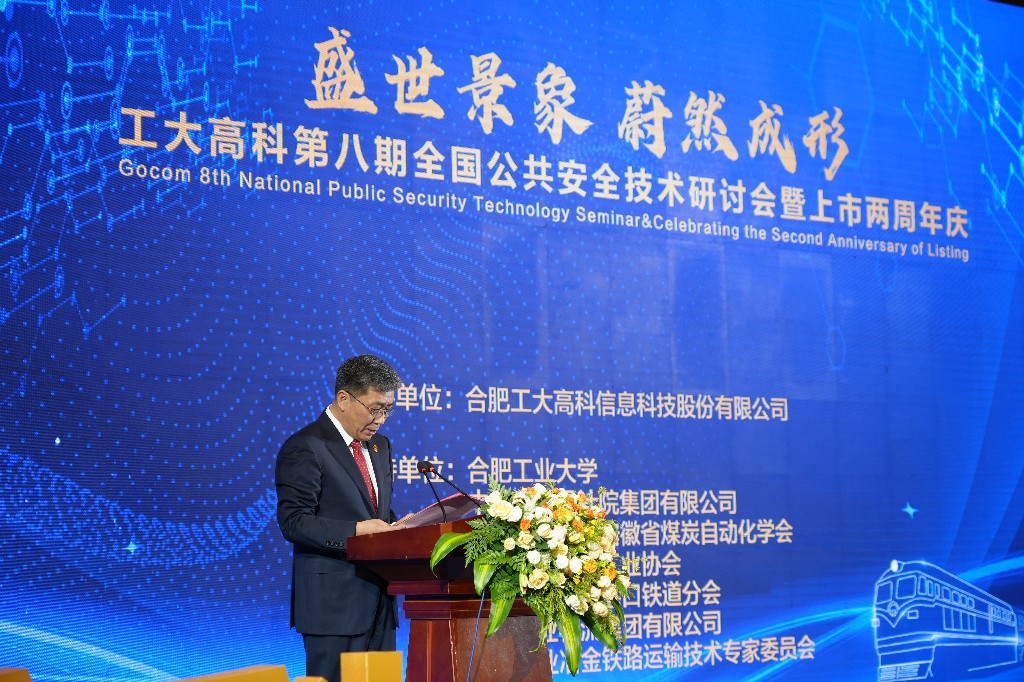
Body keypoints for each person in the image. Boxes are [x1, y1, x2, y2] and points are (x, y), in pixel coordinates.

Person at [275, 354, 403, 682]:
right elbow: (294, 521)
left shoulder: (381, 446)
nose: (381, 420)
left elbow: (376, 512)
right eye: (375, 408)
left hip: (381, 603)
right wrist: (358, 531)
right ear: (344, 399)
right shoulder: (306, 446)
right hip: (332, 607)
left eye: (387, 410)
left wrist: (400, 527)